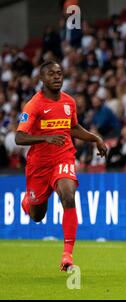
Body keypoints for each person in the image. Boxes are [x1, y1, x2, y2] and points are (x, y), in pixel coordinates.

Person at [15, 60, 107, 271]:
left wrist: (95, 138)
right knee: (37, 216)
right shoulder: (33, 105)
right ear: (41, 78)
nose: (57, 77)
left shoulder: (69, 102)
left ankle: (67, 255)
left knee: (68, 194)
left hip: (63, 158)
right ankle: (28, 202)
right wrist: (45, 139)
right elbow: (19, 138)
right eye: (51, 74)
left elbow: (72, 128)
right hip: (39, 166)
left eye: (59, 73)